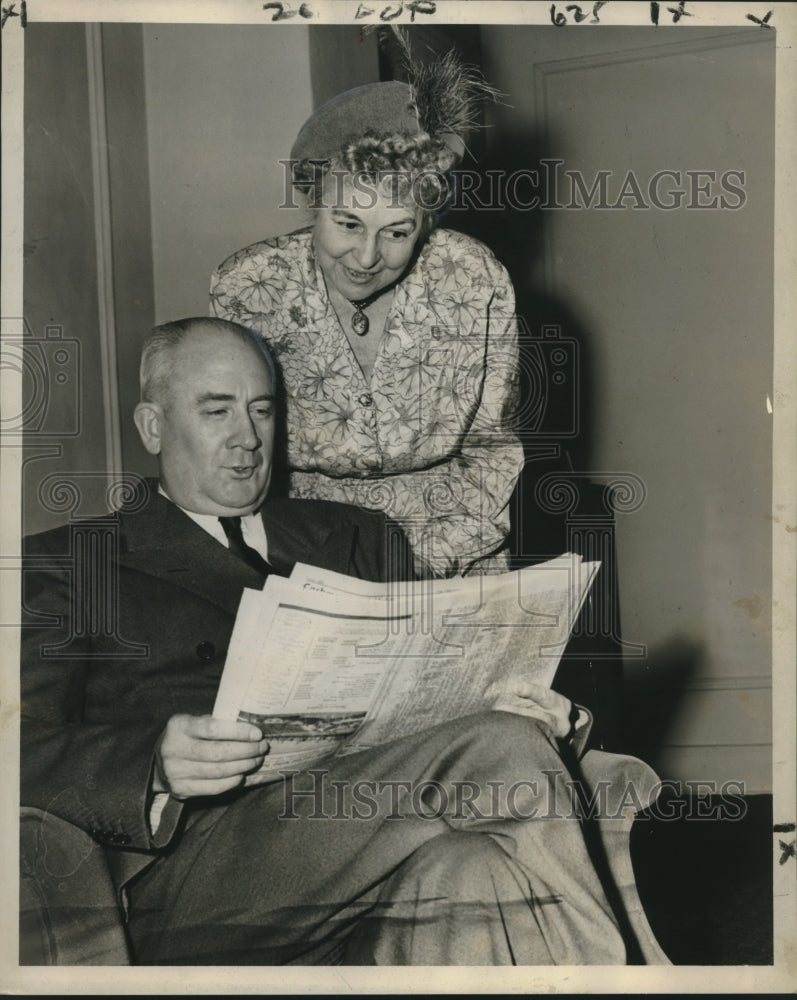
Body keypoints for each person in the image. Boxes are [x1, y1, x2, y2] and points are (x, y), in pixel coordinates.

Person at [20, 317, 663, 966]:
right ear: (153, 427)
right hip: (202, 878)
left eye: (262, 410)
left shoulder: (358, 536)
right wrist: (151, 763)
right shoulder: (77, 564)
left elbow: (439, 691)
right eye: (216, 410)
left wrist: (552, 716)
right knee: (498, 745)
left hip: (378, 839)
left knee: (471, 867)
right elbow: (17, 744)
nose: (246, 438)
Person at [210, 54, 525, 579]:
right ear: (314, 203)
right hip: (301, 551)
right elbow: (238, 448)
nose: (365, 257)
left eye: (397, 232)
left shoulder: (473, 277)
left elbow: (494, 451)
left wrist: (420, 567)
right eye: (348, 223)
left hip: (454, 550)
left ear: (427, 224)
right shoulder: (249, 287)